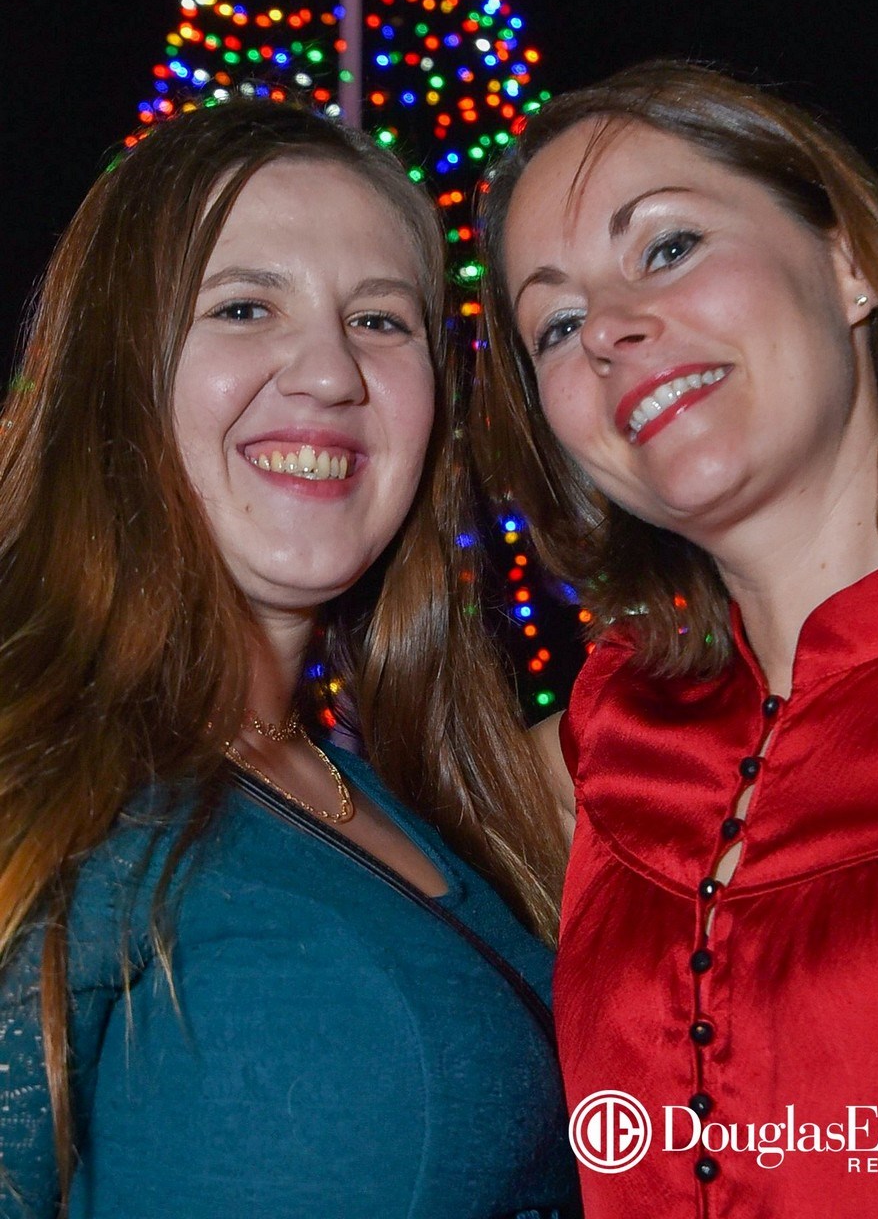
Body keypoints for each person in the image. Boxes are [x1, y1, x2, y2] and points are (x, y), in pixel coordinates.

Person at [475, 59, 878, 1219]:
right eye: (557, 323)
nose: (611, 331)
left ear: (850, 264)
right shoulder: (595, 749)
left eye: (667, 246)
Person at [0, 97, 578, 1219]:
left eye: (380, 320)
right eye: (245, 306)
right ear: (116, 368)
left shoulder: (428, 801)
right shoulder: (41, 772)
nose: (329, 373)